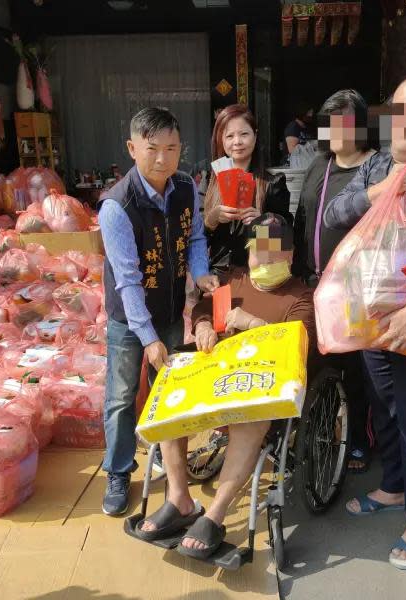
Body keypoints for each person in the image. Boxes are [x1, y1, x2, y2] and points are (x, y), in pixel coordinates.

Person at [326, 74, 406, 569]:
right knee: (385, 406)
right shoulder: (377, 164)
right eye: (397, 110)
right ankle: (396, 486)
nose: (405, 122)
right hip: (370, 316)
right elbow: (337, 214)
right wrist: (374, 192)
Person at [135, 213, 315, 559]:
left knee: (251, 420)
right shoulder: (234, 282)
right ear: (248, 253)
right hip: (217, 378)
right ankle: (179, 499)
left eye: (274, 253)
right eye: (258, 252)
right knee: (175, 397)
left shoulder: (300, 297)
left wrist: (255, 324)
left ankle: (216, 514)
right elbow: (204, 307)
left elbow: (301, 343)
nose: (264, 259)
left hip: (262, 386)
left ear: (290, 256)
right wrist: (203, 325)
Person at [97, 107, 219, 516]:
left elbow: (196, 237)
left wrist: (200, 275)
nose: (164, 159)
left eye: (172, 148)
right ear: (133, 149)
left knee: (171, 395)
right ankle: (117, 470)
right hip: (129, 319)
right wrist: (146, 337)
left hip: (169, 310)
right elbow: (128, 279)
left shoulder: (186, 187)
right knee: (121, 396)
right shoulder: (117, 206)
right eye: (153, 149)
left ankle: (174, 469)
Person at [293, 88, 377, 473]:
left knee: (357, 369)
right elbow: (301, 220)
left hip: (357, 290)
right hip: (314, 284)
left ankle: (358, 438)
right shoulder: (319, 166)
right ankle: (321, 431)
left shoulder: (377, 167)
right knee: (317, 363)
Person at [204, 104, 291, 276]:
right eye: (229, 136)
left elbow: (286, 241)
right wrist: (211, 220)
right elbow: (196, 239)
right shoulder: (209, 181)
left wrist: (263, 223)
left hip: (257, 277)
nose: (237, 142)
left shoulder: (272, 184)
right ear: (221, 140)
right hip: (217, 278)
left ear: (255, 135)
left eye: (244, 134)